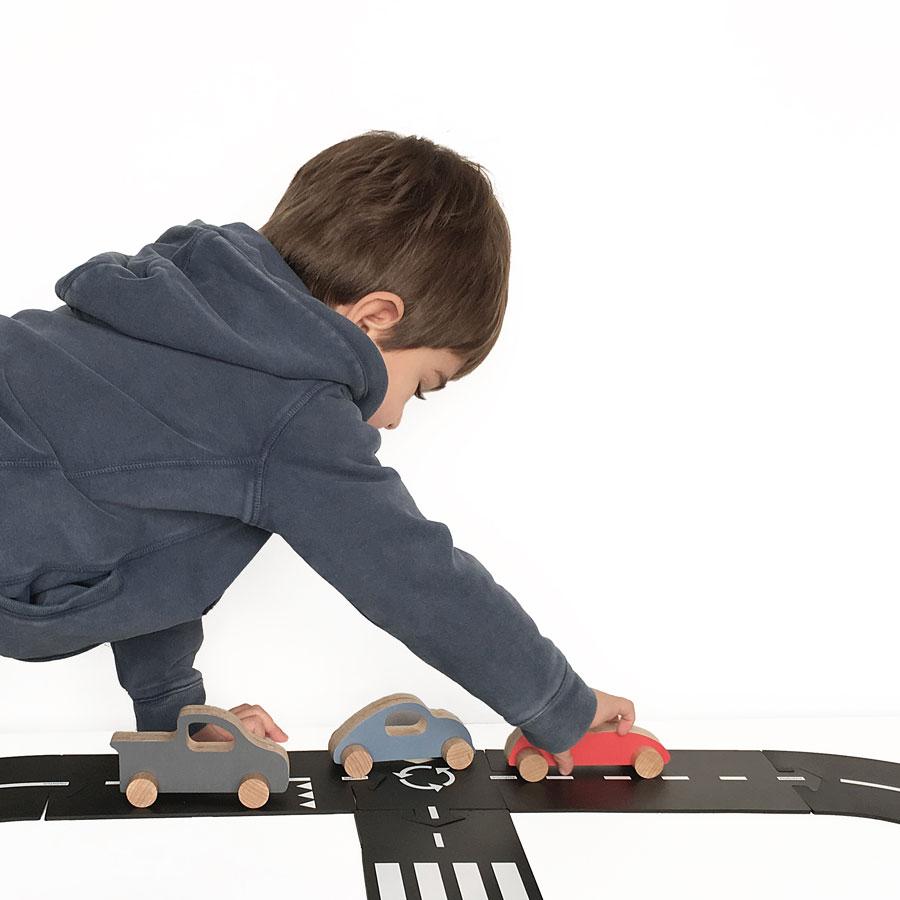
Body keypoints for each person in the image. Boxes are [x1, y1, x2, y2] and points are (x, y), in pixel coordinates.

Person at [0, 130, 634, 775]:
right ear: (375, 317)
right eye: (421, 385)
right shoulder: (292, 409)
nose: (393, 419)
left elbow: (136, 538)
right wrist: (561, 703)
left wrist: (173, 710)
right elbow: (410, 572)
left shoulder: (186, 317)